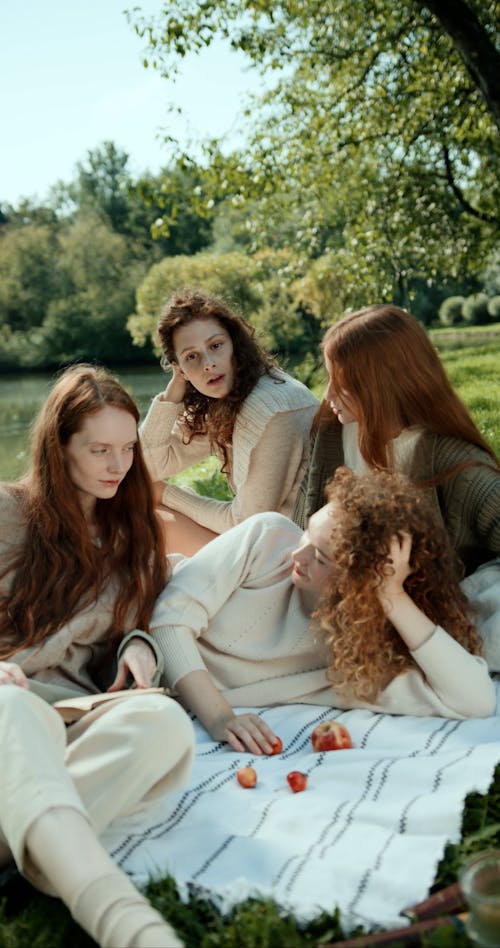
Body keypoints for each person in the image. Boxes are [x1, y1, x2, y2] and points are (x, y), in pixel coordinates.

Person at [0, 365, 195, 948]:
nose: (118, 466)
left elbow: (134, 624)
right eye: (100, 449)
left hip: (70, 717)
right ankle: (124, 923)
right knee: (13, 709)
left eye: (128, 449)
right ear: (59, 449)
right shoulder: (7, 515)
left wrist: (138, 649)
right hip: (7, 706)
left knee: (164, 722)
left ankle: (25, 840)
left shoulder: (132, 535)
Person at [150, 467, 496, 755]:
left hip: (142, 690)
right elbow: (167, 622)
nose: (297, 557)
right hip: (126, 610)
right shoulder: (268, 537)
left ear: (360, 584)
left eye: (320, 557)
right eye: (308, 535)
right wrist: (221, 718)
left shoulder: (361, 659)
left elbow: (476, 700)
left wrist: (391, 596)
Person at [292, 305, 500, 577]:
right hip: (315, 593)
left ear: (381, 384)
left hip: (403, 612)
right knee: (264, 529)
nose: (327, 393)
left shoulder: (460, 466)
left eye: (341, 382)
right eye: (328, 378)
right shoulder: (331, 429)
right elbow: (299, 528)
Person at [139, 289, 319, 555]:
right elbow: (144, 466)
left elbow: (247, 522)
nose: (208, 364)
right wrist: (171, 395)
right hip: (266, 543)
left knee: (155, 522)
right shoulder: (225, 399)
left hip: (293, 556)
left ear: (235, 343)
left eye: (215, 346)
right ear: (179, 368)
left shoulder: (271, 406)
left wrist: (167, 493)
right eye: (192, 357)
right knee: (142, 511)